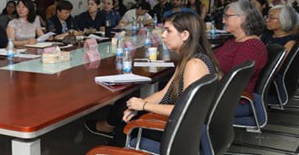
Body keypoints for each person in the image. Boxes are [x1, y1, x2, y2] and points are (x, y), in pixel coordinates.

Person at [85, 12, 220, 141]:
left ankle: (114, 150)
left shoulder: (194, 64)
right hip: (180, 124)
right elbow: (164, 93)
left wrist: (144, 105)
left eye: (168, 31)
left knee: (123, 124)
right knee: (126, 107)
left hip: (179, 133)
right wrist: (138, 106)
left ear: (185, 35)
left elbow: (186, 109)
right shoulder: (188, 59)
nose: (163, 35)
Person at [214, 1, 268, 117]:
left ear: (243, 18)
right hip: (219, 95)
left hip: (233, 101)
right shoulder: (232, 41)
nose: (223, 21)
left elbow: (235, 81)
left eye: (227, 17)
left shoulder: (251, 46)